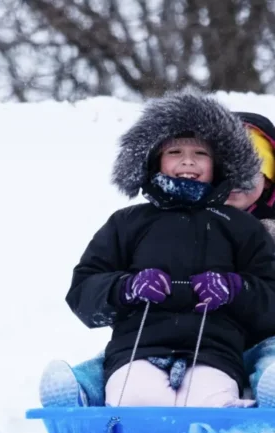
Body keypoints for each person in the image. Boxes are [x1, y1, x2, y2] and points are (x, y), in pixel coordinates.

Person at [39, 98, 275, 408]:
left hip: (217, 347)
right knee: (131, 394)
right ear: (153, 161)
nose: (188, 162)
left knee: (214, 395)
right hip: (139, 344)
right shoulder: (128, 222)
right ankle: (84, 399)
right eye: (174, 152)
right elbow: (86, 287)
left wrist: (234, 289)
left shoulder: (240, 227)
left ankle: (247, 402)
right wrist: (126, 288)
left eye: (200, 154)